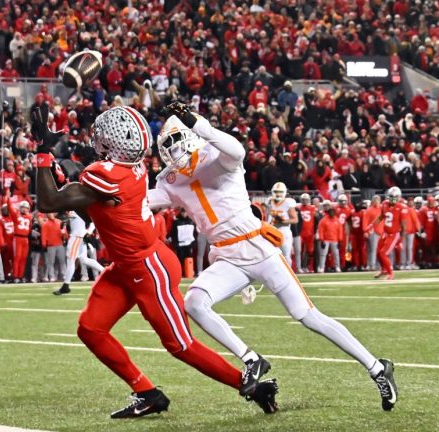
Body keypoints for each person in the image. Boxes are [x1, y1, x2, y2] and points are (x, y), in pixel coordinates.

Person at [148, 103, 397, 411]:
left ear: (191, 134)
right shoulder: (171, 180)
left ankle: (376, 367)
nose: (173, 154)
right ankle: (251, 359)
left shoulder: (216, 155)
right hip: (227, 257)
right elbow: (142, 201)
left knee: (307, 316)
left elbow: (237, 151)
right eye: (167, 148)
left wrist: (198, 123)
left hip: (258, 247)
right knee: (195, 303)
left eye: (176, 142)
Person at [32, 104, 269, 418]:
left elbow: (50, 201)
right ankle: (146, 392)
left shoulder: (103, 176)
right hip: (126, 266)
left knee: (179, 344)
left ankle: (250, 386)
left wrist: (43, 152)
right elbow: (89, 205)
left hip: (149, 267)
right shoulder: (128, 169)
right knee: (91, 328)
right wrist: (57, 162)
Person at [54, 210, 104, 295]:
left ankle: (66, 285)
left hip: (77, 236)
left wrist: (88, 232)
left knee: (71, 260)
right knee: (84, 259)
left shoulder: (79, 208)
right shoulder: (75, 209)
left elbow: (93, 220)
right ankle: (105, 271)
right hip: (79, 236)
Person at [375, 187, 407, 281]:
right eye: (391, 196)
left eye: (394, 197)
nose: (392, 199)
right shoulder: (385, 204)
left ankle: (390, 273)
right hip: (385, 233)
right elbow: (381, 216)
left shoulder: (401, 207)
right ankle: (383, 269)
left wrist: (401, 239)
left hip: (394, 234)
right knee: (378, 252)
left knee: (383, 253)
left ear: (398, 197)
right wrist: (373, 224)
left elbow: (404, 225)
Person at [266, 182, 297, 267]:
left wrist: (282, 221)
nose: (278, 194)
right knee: (272, 255)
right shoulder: (269, 201)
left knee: (286, 255)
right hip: (272, 231)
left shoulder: (288, 202)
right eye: (276, 191)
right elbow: (267, 217)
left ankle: (288, 277)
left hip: (284, 231)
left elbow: (295, 220)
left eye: (280, 191)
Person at [3, 194, 32, 283]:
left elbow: (30, 228)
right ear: (20, 208)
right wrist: (8, 198)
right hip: (17, 238)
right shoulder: (16, 215)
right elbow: (10, 208)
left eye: (26, 208)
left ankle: (20, 276)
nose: (24, 209)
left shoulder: (29, 217)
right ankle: (15, 276)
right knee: (17, 257)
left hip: (25, 239)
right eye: (23, 207)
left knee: (23, 258)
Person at [317, 201, 342, 273]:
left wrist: (340, 240)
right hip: (326, 240)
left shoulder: (337, 220)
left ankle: (337, 267)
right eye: (330, 212)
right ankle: (321, 267)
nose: (332, 213)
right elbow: (320, 230)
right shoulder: (323, 220)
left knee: (336, 254)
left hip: (335, 240)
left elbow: (340, 231)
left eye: (333, 212)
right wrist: (321, 240)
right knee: (323, 254)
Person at [296, 194, 316, 273]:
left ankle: (308, 267)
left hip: (310, 233)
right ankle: (299, 267)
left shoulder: (312, 208)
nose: (304, 201)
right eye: (303, 199)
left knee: (310, 251)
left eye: (306, 199)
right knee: (299, 251)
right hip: (300, 233)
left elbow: (316, 220)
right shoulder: (298, 208)